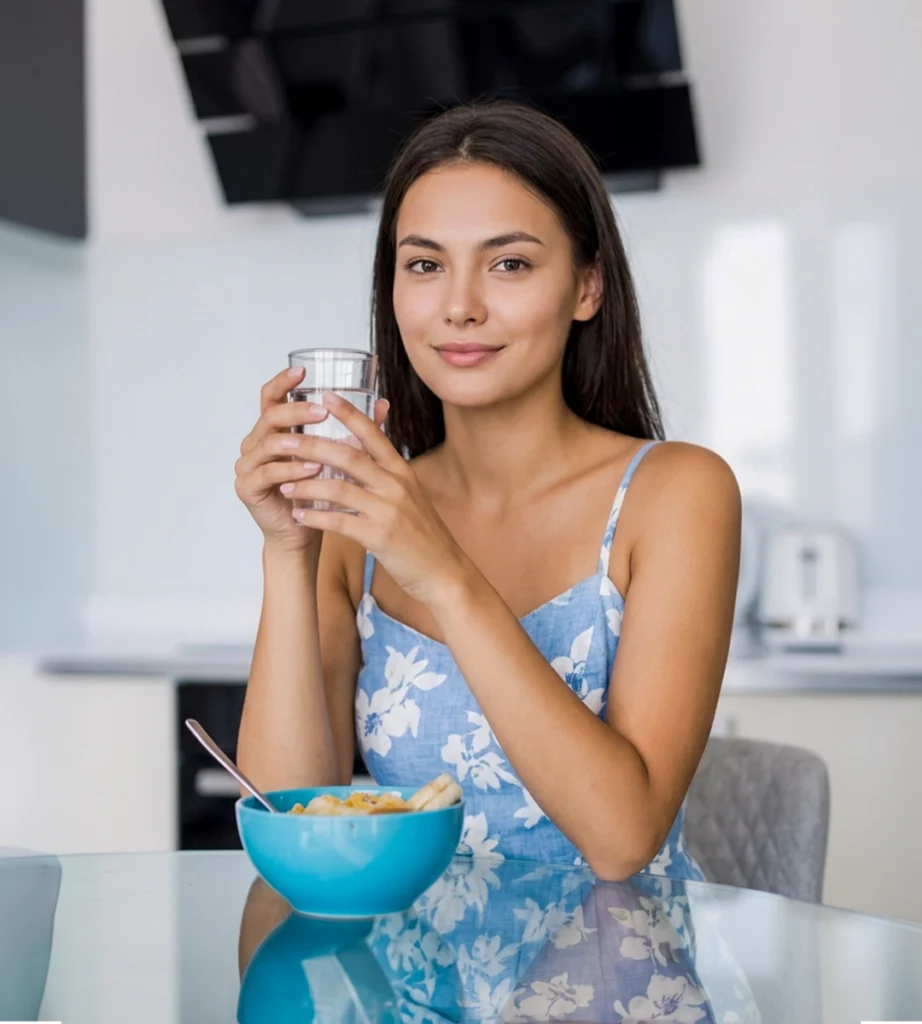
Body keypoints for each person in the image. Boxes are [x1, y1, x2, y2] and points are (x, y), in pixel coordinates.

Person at [234, 99, 741, 883]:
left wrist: (442, 571)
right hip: (415, 987)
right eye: (425, 265)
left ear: (587, 288)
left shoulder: (677, 494)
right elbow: (285, 822)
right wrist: (286, 552)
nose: (460, 305)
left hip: (615, 984)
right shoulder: (361, 517)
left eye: (509, 263)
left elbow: (622, 838)